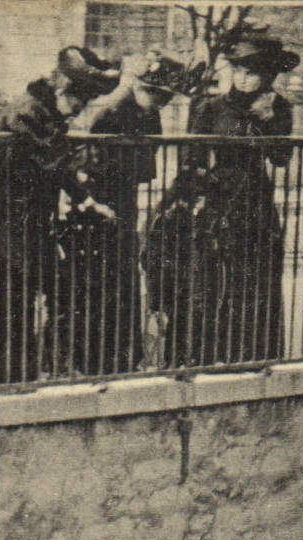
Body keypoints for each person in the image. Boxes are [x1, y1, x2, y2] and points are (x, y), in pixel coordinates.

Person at [0, 47, 120, 388]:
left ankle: (7, 382)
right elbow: (49, 159)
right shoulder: (26, 112)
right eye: (78, 103)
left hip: (7, 227)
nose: (78, 112)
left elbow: (55, 164)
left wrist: (86, 200)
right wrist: (83, 189)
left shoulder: (47, 116)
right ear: (61, 91)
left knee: (11, 302)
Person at [146, 35, 297, 366]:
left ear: (267, 76)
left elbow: (282, 156)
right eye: (240, 69)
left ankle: (253, 359)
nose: (243, 77)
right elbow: (193, 160)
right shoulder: (212, 108)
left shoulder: (278, 107)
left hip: (255, 203)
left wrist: (268, 120)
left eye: (252, 72)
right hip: (217, 203)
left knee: (254, 287)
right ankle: (207, 359)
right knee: (212, 284)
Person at [54, 54, 185, 376]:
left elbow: (144, 166)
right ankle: (89, 360)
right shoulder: (111, 113)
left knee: (124, 281)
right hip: (98, 207)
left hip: (123, 203)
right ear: (140, 86)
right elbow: (87, 163)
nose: (159, 104)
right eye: (155, 95)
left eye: (164, 98)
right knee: (96, 284)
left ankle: (121, 359)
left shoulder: (147, 114)